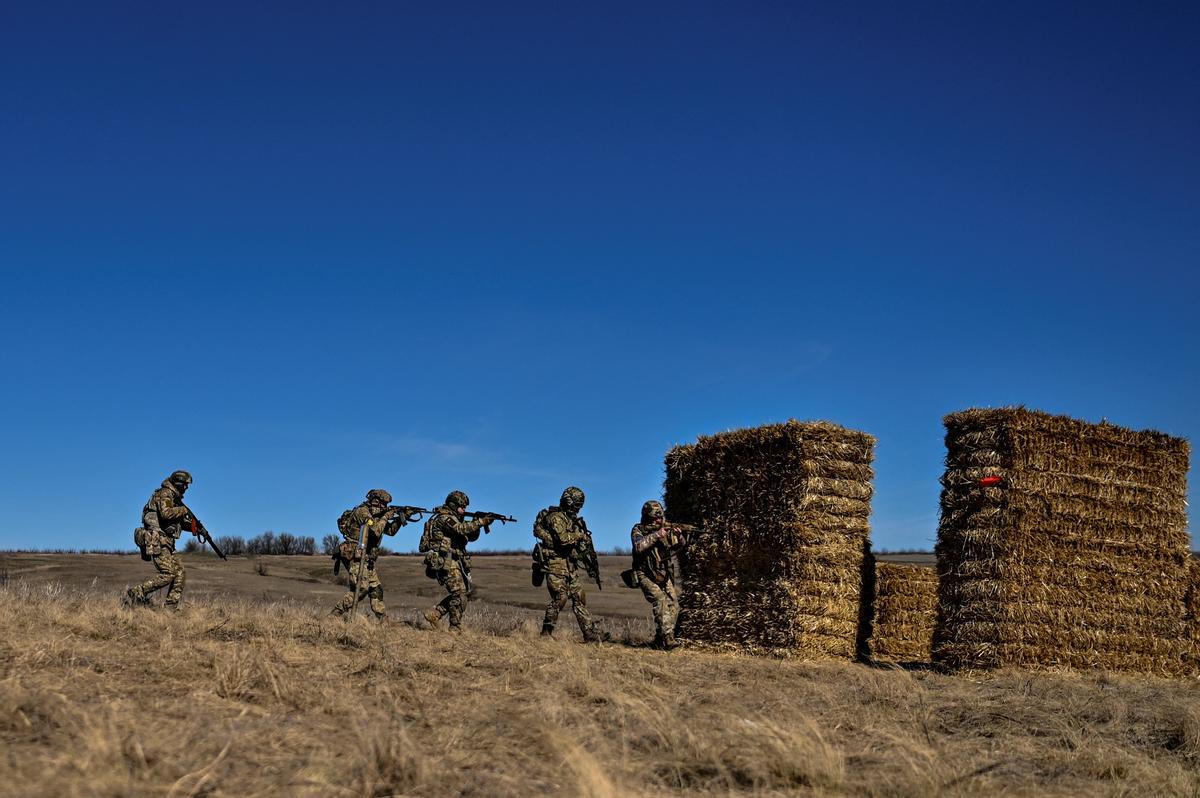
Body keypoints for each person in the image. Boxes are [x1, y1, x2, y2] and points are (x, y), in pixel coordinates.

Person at [533, 486, 600, 642]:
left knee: (579, 598)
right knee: (560, 598)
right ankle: (546, 633)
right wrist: (580, 536)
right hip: (554, 564)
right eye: (576, 505)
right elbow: (563, 540)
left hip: (569, 565)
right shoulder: (556, 517)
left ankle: (590, 634)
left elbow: (574, 547)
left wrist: (584, 546)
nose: (578, 509)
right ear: (569, 502)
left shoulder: (571, 520)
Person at [330, 489, 409, 620]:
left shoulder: (377, 515)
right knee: (361, 589)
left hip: (367, 558)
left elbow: (390, 531)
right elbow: (376, 530)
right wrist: (387, 516)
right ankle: (334, 616)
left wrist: (401, 519)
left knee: (376, 589)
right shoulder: (362, 512)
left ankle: (384, 620)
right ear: (375, 501)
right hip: (355, 556)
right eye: (383, 504)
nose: (385, 507)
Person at [126, 470, 200, 610]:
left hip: (166, 541)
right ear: (178, 483)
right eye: (184, 484)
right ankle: (137, 592)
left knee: (179, 573)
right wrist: (183, 511)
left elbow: (172, 522)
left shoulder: (173, 497)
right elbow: (166, 514)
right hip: (157, 539)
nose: (186, 488)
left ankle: (170, 609)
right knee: (169, 573)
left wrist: (192, 527)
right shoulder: (164, 494)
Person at [420, 490, 493, 631]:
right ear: (453, 505)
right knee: (459, 594)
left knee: (462, 594)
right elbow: (460, 529)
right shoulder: (444, 518)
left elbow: (470, 536)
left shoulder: (454, 519)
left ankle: (435, 614)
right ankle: (455, 629)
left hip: (454, 561)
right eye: (462, 507)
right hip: (445, 561)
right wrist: (480, 521)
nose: (464, 510)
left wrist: (477, 523)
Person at [630, 500, 688, 649]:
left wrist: (679, 536)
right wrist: (657, 535)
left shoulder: (666, 529)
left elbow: (680, 545)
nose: (660, 520)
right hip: (645, 573)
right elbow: (639, 547)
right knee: (660, 601)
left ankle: (659, 639)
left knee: (673, 605)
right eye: (656, 518)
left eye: (661, 517)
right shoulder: (638, 530)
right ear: (648, 517)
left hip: (663, 574)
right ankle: (668, 638)